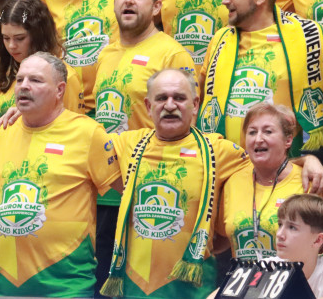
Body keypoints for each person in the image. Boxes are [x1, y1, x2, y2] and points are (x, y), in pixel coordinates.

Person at [0, 52, 122, 297]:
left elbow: (125, 193)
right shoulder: (3, 131)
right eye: (20, 79)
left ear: (60, 90)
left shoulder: (88, 134)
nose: (24, 86)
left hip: (65, 288)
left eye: (35, 80)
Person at [102, 68, 250, 299]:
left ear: (195, 104)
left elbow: (269, 166)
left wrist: (307, 160)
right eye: (161, 98)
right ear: (149, 107)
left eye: (179, 98)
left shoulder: (220, 150)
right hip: (133, 288)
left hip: (194, 289)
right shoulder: (125, 144)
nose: (170, 105)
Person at [93, 0, 197, 288]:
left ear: (156, 7)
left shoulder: (172, 54)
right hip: (105, 192)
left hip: (149, 195)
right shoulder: (106, 53)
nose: (128, 0)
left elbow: (188, 121)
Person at [199, 0, 323, 152]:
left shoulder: (310, 35)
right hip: (226, 163)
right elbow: (199, 94)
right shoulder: (219, 39)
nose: (225, 0)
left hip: (287, 166)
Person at [219, 103, 323, 262]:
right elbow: (223, 238)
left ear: (288, 140)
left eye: (268, 131)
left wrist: (306, 274)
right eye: (252, 132)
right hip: (244, 284)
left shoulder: (308, 182)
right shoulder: (233, 181)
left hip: (292, 283)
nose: (258, 139)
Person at [0, 0, 85, 118]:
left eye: (20, 38)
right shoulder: (8, 70)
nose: (11, 45)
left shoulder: (65, 77)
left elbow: (74, 128)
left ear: (38, 35)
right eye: (6, 38)